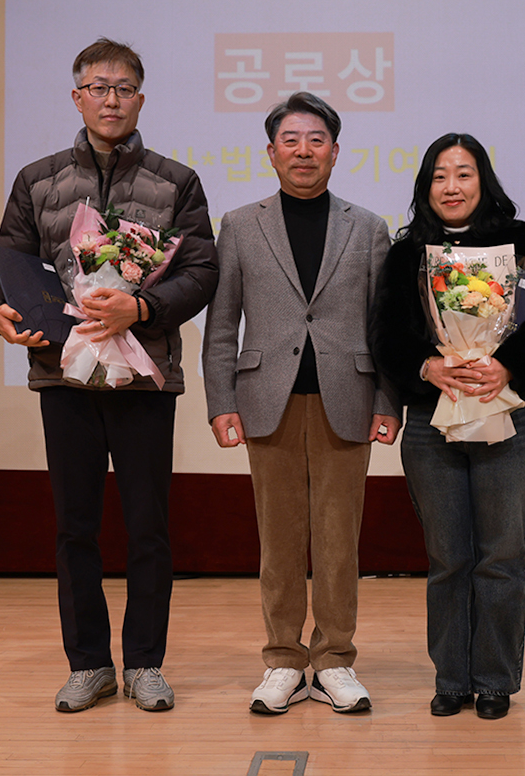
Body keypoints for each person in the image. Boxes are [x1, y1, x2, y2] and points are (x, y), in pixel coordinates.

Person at [0, 38, 218, 713]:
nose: (111, 99)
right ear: (77, 97)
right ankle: (88, 664)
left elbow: (202, 271)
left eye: (123, 88)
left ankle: (144, 662)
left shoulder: (176, 181)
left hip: (145, 379)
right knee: (75, 527)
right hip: (65, 377)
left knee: (148, 527)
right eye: (98, 88)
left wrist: (140, 307)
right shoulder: (38, 179)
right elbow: (6, 268)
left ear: (140, 99)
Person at [202, 91, 399, 715]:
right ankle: (283, 661)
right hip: (267, 401)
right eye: (291, 140)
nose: (304, 151)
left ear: (335, 152)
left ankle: (335, 659)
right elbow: (221, 325)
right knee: (279, 541)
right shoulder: (240, 224)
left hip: (349, 399)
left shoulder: (368, 227)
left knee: (339, 541)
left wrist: (389, 400)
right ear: (271, 152)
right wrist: (220, 401)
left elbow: (385, 327)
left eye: (317, 140)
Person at [372, 133, 525, 720]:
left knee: (502, 555)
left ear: (483, 180)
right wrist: (427, 366)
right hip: (432, 423)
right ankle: (452, 679)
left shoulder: (524, 242)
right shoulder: (407, 253)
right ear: (425, 186)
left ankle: (494, 680)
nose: (451, 187)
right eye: (439, 176)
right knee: (448, 558)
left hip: (508, 414)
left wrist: (507, 366)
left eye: (463, 174)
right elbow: (385, 333)